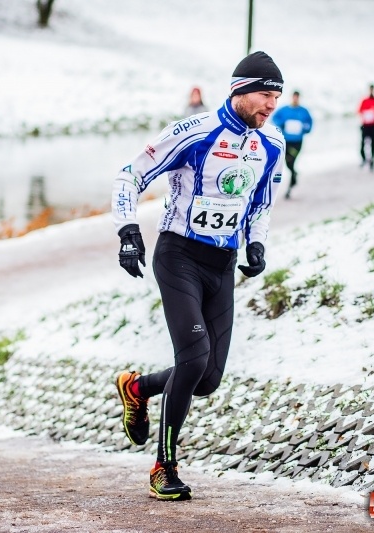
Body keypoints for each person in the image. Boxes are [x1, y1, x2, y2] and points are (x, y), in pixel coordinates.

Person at [111, 51, 285, 501]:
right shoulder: (195, 132)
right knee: (192, 359)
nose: (271, 105)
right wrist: (129, 231)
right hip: (179, 256)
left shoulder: (273, 144)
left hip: (222, 264)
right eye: (266, 94)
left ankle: (137, 388)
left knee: (207, 378)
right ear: (240, 90)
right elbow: (129, 175)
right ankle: (163, 468)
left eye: (277, 97)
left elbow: (261, 202)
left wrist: (257, 242)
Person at [271, 90, 313, 198]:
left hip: (297, 142)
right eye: (294, 97)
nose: (295, 99)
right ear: (291, 98)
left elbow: (310, 123)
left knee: (291, 162)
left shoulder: (304, 111)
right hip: (286, 141)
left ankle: (289, 188)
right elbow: (274, 118)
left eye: (297, 98)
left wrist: (305, 128)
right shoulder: (284, 110)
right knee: (287, 162)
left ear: (299, 98)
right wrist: (281, 124)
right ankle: (294, 176)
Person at [358, 84, 374, 171]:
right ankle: (364, 158)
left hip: (373, 126)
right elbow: (359, 111)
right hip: (365, 125)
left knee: (373, 144)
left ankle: (372, 160)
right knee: (362, 144)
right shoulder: (364, 101)